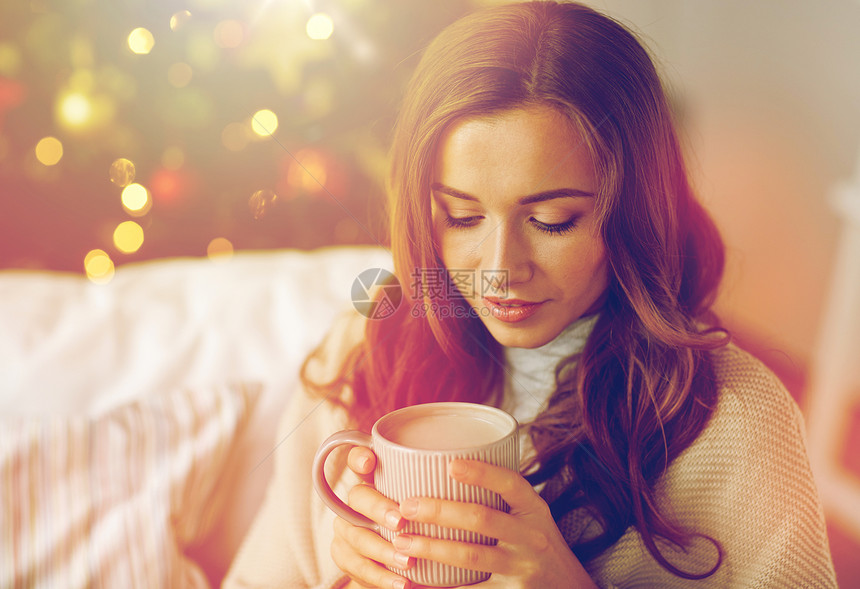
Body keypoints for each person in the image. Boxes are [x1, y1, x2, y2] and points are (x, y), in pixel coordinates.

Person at [223, 1, 838, 587]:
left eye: (552, 222)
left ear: (634, 210)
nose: (498, 271)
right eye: (461, 217)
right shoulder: (361, 349)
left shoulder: (734, 419)